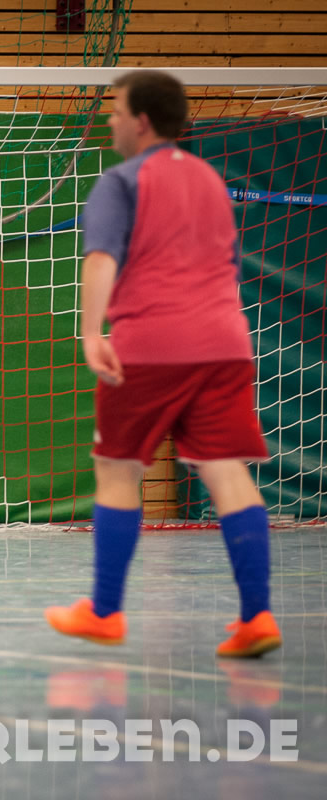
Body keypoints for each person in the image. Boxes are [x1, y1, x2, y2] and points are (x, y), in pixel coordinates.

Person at [44, 70, 281, 658]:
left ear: (143, 121)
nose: (110, 120)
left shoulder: (120, 181)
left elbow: (102, 258)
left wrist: (91, 333)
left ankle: (105, 613)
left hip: (152, 345)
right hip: (225, 343)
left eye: (117, 110)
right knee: (225, 471)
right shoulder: (211, 179)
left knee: (117, 469)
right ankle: (257, 616)